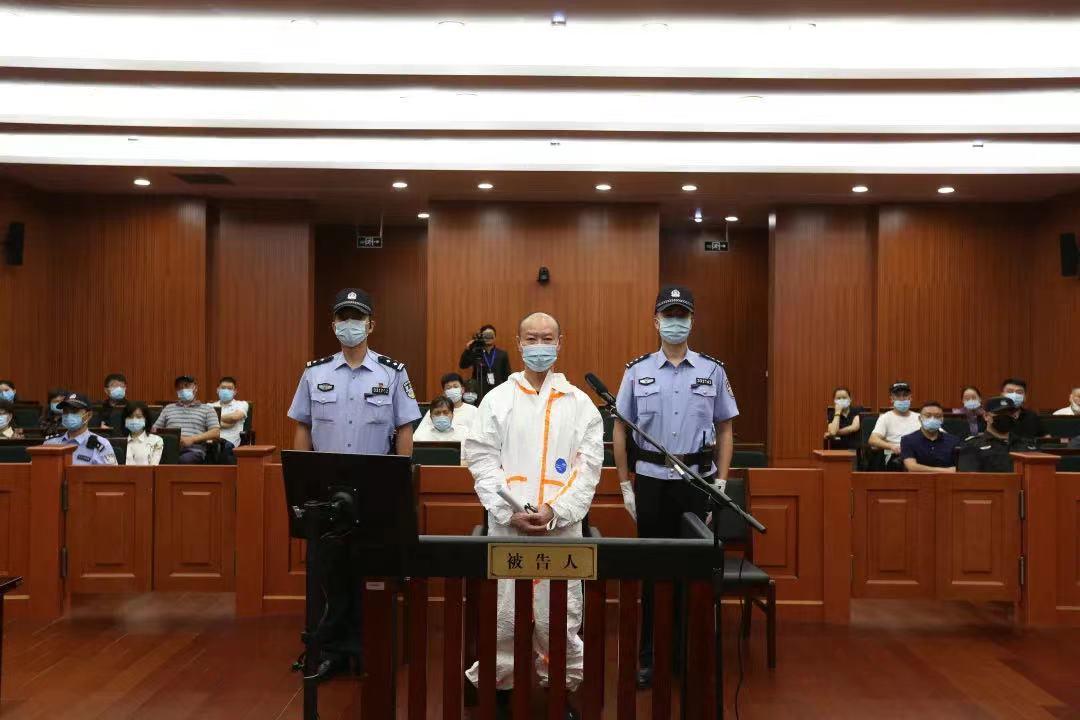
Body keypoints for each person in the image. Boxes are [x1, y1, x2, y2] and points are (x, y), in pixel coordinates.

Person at [465, 311, 601, 719]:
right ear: (518, 343)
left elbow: (588, 469)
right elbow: (481, 458)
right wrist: (509, 510)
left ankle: (560, 692)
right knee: (504, 616)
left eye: (547, 338)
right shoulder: (497, 400)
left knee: (559, 618)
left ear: (560, 343)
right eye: (531, 338)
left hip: (561, 533)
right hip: (508, 528)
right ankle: (499, 691)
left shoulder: (580, 404)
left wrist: (556, 511)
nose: (539, 345)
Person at [288, 287, 421, 682]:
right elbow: (303, 427)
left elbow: (405, 429)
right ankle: (329, 651)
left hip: (373, 492)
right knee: (328, 575)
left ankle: (367, 649)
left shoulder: (392, 373)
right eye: (343, 317)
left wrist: (399, 484)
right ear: (333, 325)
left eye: (356, 317)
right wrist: (302, 485)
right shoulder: (315, 373)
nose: (349, 324)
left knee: (370, 573)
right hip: (326, 494)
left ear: (370, 324)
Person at [612, 284, 737, 689]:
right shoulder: (637, 371)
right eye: (669, 315)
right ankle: (651, 659)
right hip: (650, 482)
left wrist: (721, 480)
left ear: (692, 321)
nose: (675, 322)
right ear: (656, 321)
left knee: (693, 574)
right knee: (653, 573)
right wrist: (624, 485)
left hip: (696, 483)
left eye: (682, 315)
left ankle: (687, 658)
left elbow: (725, 428)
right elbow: (620, 429)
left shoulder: (712, 371)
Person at [957, 396, 1037, 472]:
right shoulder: (973, 446)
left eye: (1010, 413)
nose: (1006, 417)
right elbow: (969, 478)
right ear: (986, 416)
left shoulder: (1027, 445)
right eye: (1000, 413)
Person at [152, 375, 220, 464]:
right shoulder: (168, 408)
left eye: (187, 386)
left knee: (183, 460)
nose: (183, 389)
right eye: (180, 387)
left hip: (193, 449)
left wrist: (192, 439)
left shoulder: (207, 409)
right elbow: (154, 430)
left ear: (195, 388)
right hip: (168, 448)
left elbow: (216, 432)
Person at [42, 393, 117, 465]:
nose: (69, 415)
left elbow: (111, 473)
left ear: (89, 415)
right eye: (66, 411)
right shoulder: (50, 443)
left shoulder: (101, 445)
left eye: (74, 411)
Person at [869, 381, 921, 470]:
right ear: (892, 399)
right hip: (896, 456)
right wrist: (891, 446)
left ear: (910, 398)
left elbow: (941, 434)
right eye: (898, 396)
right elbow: (873, 440)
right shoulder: (885, 417)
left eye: (905, 395)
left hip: (919, 454)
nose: (902, 399)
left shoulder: (920, 417)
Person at [900, 401, 961, 472]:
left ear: (942, 419)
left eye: (937, 416)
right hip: (918, 479)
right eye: (928, 416)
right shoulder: (908, 440)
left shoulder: (954, 440)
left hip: (948, 479)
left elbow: (959, 467)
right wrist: (946, 471)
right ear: (920, 418)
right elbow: (912, 467)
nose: (933, 419)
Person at [415, 372, 478, 437]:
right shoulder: (435, 411)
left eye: (455, 386)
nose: (452, 390)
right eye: (448, 388)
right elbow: (419, 434)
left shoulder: (473, 411)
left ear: (462, 390)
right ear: (444, 392)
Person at [459, 324, 512, 400]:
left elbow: (507, 374)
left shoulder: (502, 354)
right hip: (479, 390)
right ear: (481, 337)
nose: (488, 337)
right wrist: (468, 350)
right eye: (486, 335)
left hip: (497, 390)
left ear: (495, 337)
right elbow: (463, 365)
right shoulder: (476, 352)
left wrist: (507, 391)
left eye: (491, 335)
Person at [210, 376, 248, 464]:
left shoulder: (242, 404)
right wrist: (226, 423)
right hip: (212, 441)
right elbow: (205, 422)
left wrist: (213, 418)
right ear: (217, 390)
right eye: (223, 388)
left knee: (224, 448)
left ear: (235, 392)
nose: (226, 391)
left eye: (230, 388)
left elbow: (235, 417)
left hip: (230, 444)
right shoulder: (209, 406)